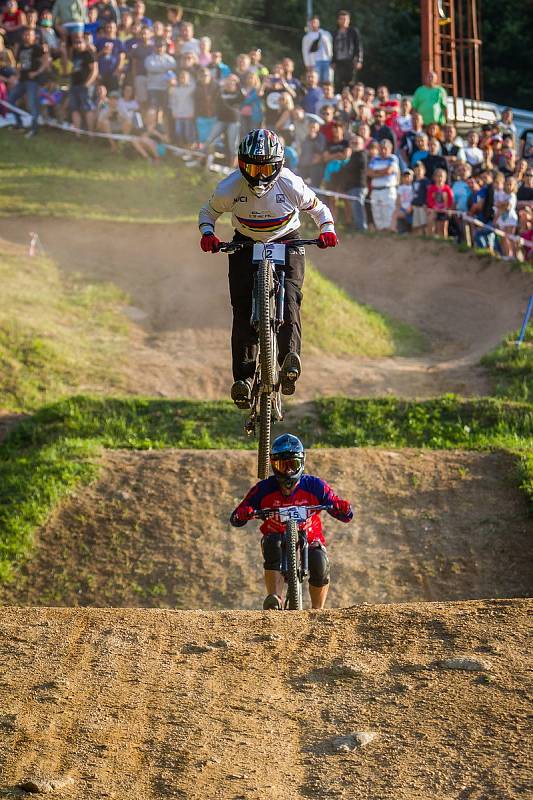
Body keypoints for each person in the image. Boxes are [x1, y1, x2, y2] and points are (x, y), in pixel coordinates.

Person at [198, 128, 337, 408]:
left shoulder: (290, 184)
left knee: (291, 298)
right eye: (251, 167)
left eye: (265, 168)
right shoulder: (230, 186)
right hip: (245, 240)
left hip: (287, 238)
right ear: (240, 164)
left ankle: (289, 361)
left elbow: (319, 208)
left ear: (279, 166)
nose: (259, 176)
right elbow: (208, 211)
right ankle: (245, 379)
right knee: (241, 307)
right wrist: (208, 232)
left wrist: (327, 228)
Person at [230, 434, 353, 611]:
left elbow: (344, 514)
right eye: (282, 465)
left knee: (319, 561)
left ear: (302, 463)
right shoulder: (263, 489)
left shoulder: (315, 485)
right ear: (273, 465)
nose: (288, 471)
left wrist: (342, 507)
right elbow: (236, 517)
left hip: (310, 536)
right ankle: (275, 599)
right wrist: (244, 513)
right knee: (274, 544)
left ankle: (318, 610)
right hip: (276, 534)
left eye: (292, 465)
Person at [8, 26, 48, 137]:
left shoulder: (37, 48)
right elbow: (19, 63)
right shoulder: (20, 47)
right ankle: (19, 124)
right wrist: (17, 73)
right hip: (22, 80)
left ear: (34, 36)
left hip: (33, 81)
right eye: (25, 34)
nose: (27, 36)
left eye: (29, 35)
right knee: (10, 100)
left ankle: (34, 129)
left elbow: (46, 62)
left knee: (32, 105)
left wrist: (36, 72)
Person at [368, 138, 399, 230]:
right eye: (381, 148)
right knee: (376, 212)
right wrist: (382, 172)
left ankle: (389, 231)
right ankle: (380, 232)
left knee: (388, 212)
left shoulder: (393, 158)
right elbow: (369, 173)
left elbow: (389, 171)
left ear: (390, 149)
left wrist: (376, 172)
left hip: (388, 190)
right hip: (376, 190)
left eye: (386, 148)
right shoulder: (375, 159)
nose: (383, 150)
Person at [331, 9, 363, 94]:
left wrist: (359, 60)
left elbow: (358, 46)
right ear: (338, 20)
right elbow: (332, 48)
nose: (344, 21)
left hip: (350, 60)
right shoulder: (335, 33)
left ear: (349, 20)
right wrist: (333, 61)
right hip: (339, 61)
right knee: (340, 83)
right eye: (342, 19)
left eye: (346, 19)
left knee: (351, 82)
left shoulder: (353, 31)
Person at [301, 15, 332, 84]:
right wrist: (307, 64)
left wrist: (331, 60)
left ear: (319, 23)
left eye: (315, 22)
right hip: (314, 62)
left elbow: (330, 48)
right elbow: (305, 51)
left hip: (326, 61)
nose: (314, 24)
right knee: (316, 81)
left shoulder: (326, 34)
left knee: (327, 81)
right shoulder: (307, 37)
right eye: (312, 22)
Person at [426, 167, 454, 237]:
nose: (440, 178)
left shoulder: (447, 188)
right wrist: (433, 207)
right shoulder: (432, 188)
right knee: (433, 225)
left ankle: (444, 243)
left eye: (441, 176)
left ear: (445, 178)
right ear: (434, 177)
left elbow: (451, 199)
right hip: (435, 210)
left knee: (443, 228)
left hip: (444, 211)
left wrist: (447, 207)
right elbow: (429, 199)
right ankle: (431, 240)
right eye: (438, 176)